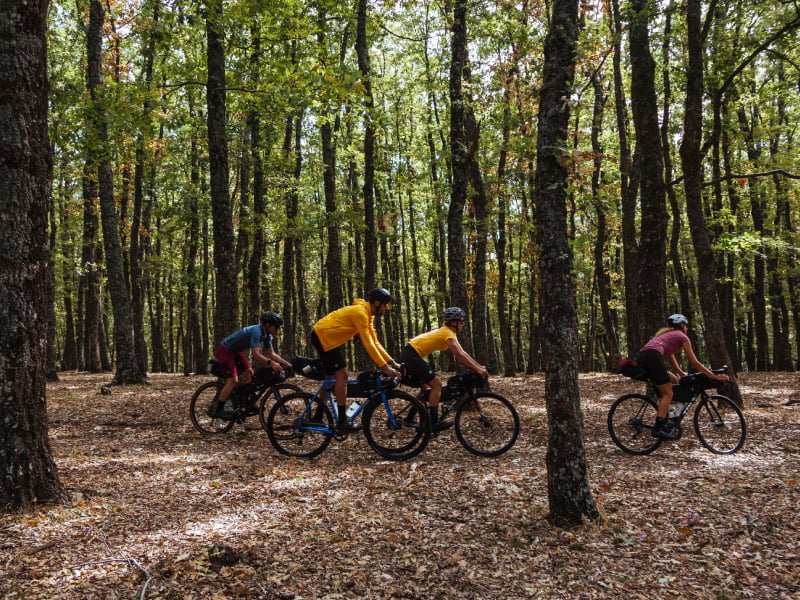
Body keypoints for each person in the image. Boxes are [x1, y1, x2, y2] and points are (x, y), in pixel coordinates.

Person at [310, 288, 402, 433]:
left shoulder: (367, 315)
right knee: (343, 375)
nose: (387, 308)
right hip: (323, 337)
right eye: (385, 305)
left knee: (331, 378)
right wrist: (385, 368)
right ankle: (342, 421)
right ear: (377, 303)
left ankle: (317, 416)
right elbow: (368, 344)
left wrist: (392, 363)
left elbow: (375, 342)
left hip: (328, 338)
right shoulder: (360, 313)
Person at [637, 313, 729, 440]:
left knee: (673, 380)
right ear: (682, 325)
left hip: (643, 356)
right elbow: (694, 362)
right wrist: (714, 376)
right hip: (653, 356)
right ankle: (658, 428)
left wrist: (681, 374)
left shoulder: (666, 337)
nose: (687, 329)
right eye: (686, 326)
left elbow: (672, 360)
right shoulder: (682, 336)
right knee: (668, 393)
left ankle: (667, 417)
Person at [399, 307, 489, 431]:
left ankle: (409, 418)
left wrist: (479, 367)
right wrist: (478, 369)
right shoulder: (447, 332)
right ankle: (434, 422)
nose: (463, 323)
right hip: (411, 354)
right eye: (461, 321)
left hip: (411, 353)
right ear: (453, 322)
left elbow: (463, 353)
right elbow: (459, 355)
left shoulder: (449, 333)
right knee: (437, 383)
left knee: (427, 388)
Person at [210, 311, 293, 418]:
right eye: (276, 326)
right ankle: (219, 409)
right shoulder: (256, 331)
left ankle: (247, 402)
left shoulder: (267, 335)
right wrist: (271, 363)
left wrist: (287, 364)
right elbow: (256, 355)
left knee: (249, 373)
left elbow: (271, 353)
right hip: (225, 351)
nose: (278, 329)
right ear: (267, 325)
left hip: (235, 351)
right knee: (232, 381)